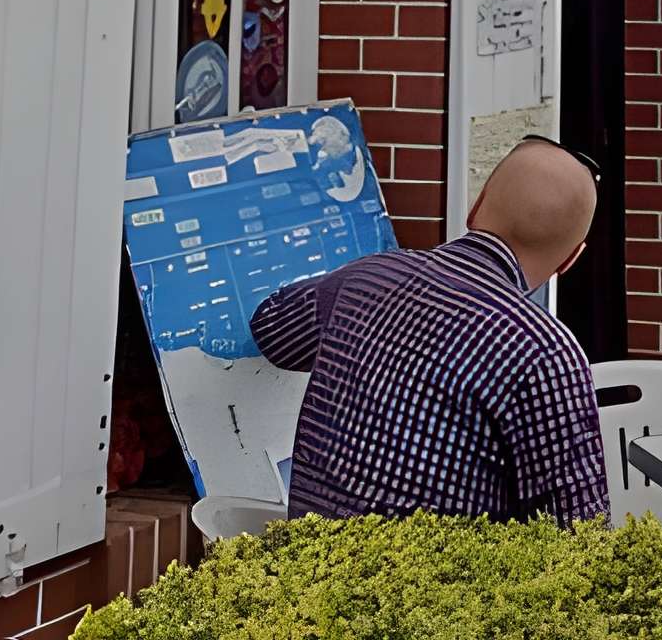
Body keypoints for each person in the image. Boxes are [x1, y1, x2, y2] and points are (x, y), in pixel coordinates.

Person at [248, 136, 608, 523]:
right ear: (571, 259)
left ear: (477, 205)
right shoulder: (546, 354)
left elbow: (271, 328)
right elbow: (581, 538)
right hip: (438, 582)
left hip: (308, 573)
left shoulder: (367, 279)